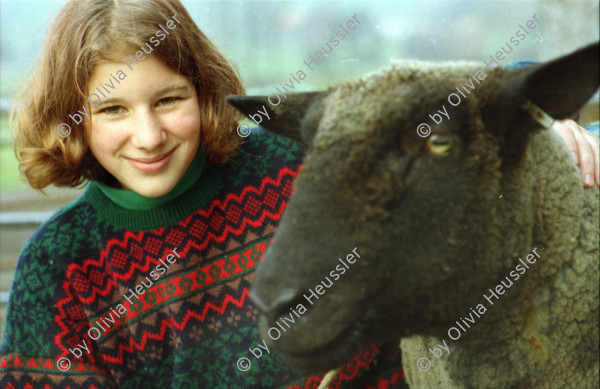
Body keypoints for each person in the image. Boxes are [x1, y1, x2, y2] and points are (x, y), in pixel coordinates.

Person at [0, 1, 598, 388]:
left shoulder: (304, 165)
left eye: (168, 100)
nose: (149, 135)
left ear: (203, 93)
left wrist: (548, 122)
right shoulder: (60, 269)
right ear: (72, 118)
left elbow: (434, 110)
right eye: (111, 109)